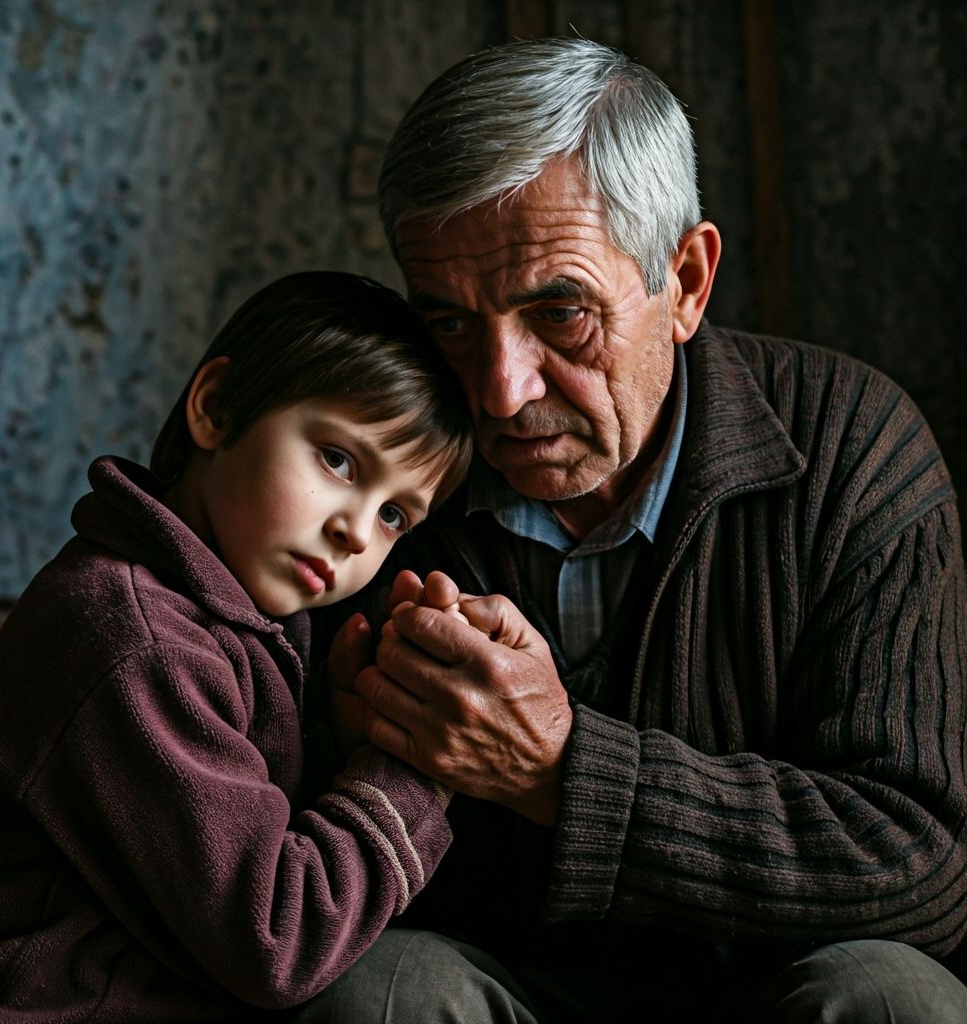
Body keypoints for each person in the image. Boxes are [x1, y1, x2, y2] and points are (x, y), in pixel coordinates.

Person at [306, 37, 967, 1023]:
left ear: (687, 280)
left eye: (559, 311)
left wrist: (560, 771)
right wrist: (358, 749)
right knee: (382, 993)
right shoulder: (365, 483)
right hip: (504, 987)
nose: (497, 390)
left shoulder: (854, 447)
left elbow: (919, 868)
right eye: (447, 322)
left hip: (771, 993)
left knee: (888, 997)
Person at [0, 271, 475, 1021]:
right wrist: (412, 766)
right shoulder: (138, 642)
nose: (356, 529)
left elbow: (229, 829)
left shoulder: (229, 625)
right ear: (217, 408)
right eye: (338, 460)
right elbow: (276, 939)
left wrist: (341, 737)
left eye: (393, 513)